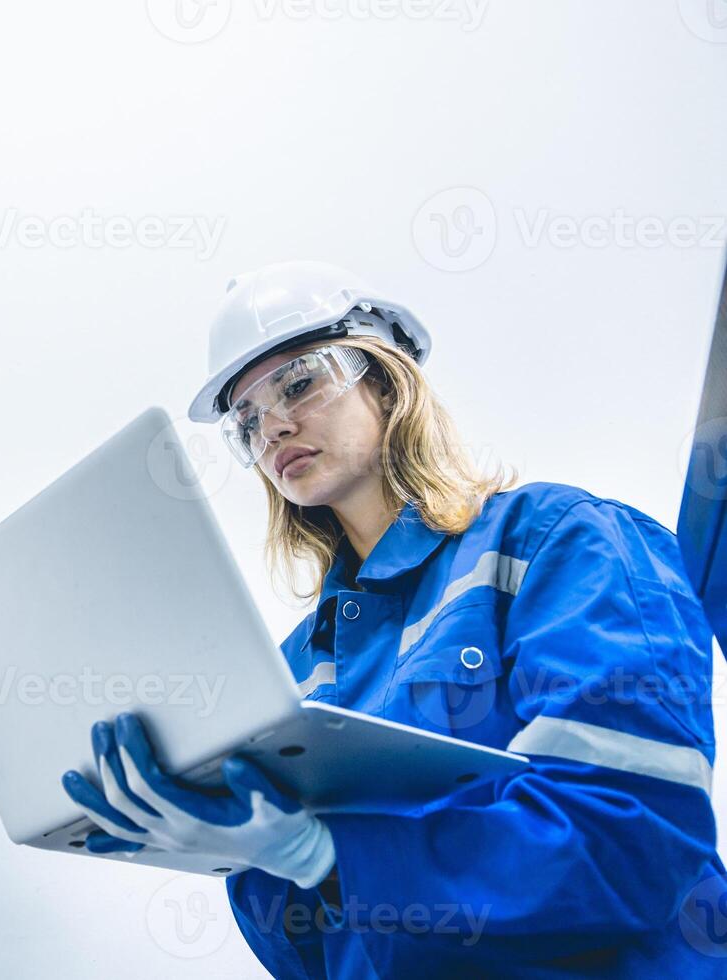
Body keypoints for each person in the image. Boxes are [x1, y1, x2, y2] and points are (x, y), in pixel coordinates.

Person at [61, 260, 724, 977]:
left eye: (299, 382)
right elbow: (318, 956)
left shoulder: (560, 539)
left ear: (384, 380)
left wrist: (327, 854)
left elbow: (634, 839)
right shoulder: (289, 668)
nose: (274, 425)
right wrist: (237, 853)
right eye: (246, 421)